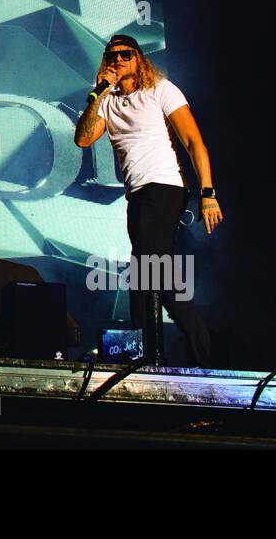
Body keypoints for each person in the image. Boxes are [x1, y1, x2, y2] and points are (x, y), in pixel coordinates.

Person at [73, 34, 222, 365]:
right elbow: (83, 139)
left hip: (164, 186)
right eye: (112, 56)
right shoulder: (108, 100)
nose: (118, 60)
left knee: (145, 273)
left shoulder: (160, 89)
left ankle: (157, 360)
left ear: (139, 58)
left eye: (126, 54)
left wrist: (207, 194)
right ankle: (186, 353)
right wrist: (96, 96)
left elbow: (194, 141)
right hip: (137, 194)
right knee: (153, 277)